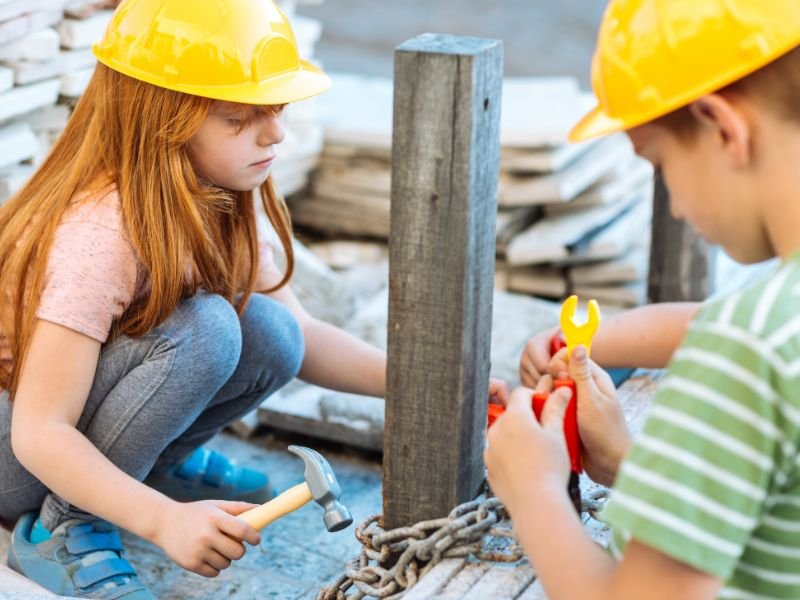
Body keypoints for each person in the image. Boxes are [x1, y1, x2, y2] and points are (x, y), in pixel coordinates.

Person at [0, 0, 393, 597]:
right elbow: (40, 430)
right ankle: (64, 527)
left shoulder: (224, 186)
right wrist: (162, 523)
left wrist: (425, 386)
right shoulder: (102, 233)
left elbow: (301, 336)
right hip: (16, 455)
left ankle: (146, 468)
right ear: (161, 121)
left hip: (53, 431)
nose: (276, 132)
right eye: (239, 117)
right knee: (207, 328)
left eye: (277, 107)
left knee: (271, 333)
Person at [485, 1, 800, 598]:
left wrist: (534, 490)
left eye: (660, 164)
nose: (676, 204)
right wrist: (628, 464)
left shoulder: (743, 350)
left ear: (723, 128)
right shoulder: (772, 323)